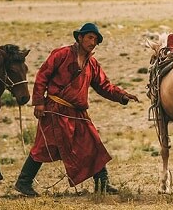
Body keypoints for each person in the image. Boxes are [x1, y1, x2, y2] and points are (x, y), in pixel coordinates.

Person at [14, 22, 140, 197]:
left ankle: (102, 184)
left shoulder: (92, 64)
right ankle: (23, 182)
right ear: (80, 38)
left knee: (93, 142)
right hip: (54, 109)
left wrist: (122, 95)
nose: (93, 42)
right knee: (44, 146)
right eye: (90, 37)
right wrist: (39, 103)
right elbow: (42, 76)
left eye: (96, 39)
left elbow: (104, 85)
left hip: (77, 112)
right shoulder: (61, 54)